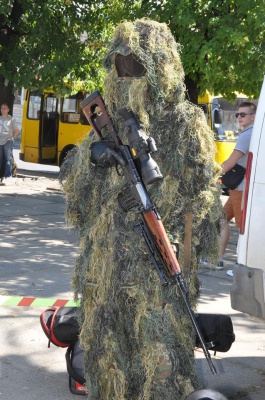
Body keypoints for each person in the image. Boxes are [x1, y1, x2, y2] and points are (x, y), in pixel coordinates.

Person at [61, 19, 223, 399]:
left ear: (160, 66)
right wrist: (92, 157)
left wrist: (184, 250)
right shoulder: (106, 121)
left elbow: (202, 200)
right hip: (106, 265)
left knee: (160, 361)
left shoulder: (184, 123)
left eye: (137, 65)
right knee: (107, 357)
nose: (128, 75)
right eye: (121, 66)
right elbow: (78, 200)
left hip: (157, 272)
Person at [218, 101, 257, 273]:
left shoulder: (247, 135)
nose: (239, 117)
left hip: (241, 189)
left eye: (243, 114)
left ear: (253, 116)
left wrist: (213, 172)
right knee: (220, 219)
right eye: (237, 114)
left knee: (242, 229)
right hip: (239, 187)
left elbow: (230, 162)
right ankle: (218, 259)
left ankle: (242, 267)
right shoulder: (253, 134)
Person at [0, 103, 19, 183]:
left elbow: (16, 131)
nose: (3, 110)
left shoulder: (11, 119)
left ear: (8, 110)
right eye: (2, 108)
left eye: (5, 108)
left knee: (8, 158)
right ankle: (1, 176)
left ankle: (8, 176)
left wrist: (11, 138)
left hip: (8, 141)